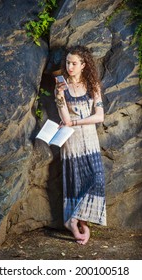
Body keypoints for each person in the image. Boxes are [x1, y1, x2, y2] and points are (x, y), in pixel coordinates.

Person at [54, 45, 106, 245]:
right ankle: (77, 222)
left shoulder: (93, 85)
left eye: (74, 63)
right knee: (75, 181)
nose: (70, 66)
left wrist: (76, 121)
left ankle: (76, 219)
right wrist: (59, 96)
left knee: (97, 178)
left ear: (84, 65)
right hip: (72, 140)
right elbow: (65, 119)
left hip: (90, 139)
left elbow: (99, 116)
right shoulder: (61, 87)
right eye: (68, 62)